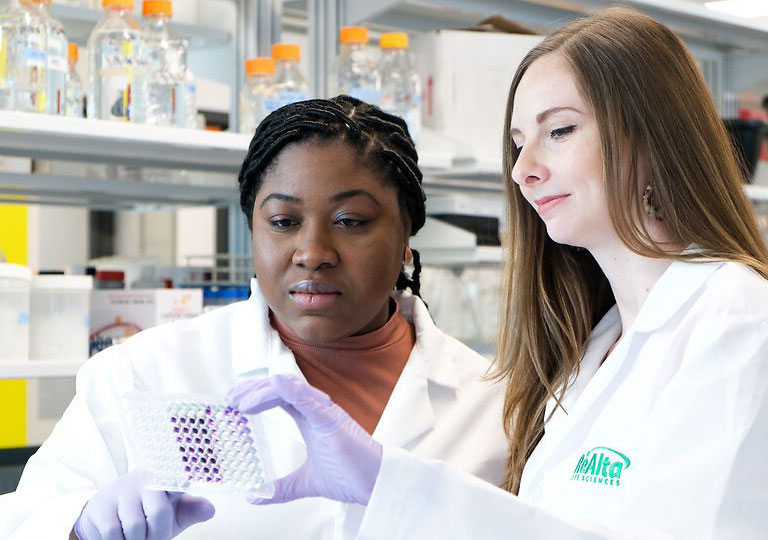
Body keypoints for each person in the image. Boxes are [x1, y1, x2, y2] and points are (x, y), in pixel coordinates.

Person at [228, 8, 768, 539]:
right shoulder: (592, 348)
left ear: (651, 134)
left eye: (558, 130)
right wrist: (384, 485)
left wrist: (385, 481)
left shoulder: (736, 321)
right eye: (516, 143)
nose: (522, 168)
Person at [0, 96, 508, 539]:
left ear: (406, 239)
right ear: (253, 231)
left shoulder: (497, 402)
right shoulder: (143, 373)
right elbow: (23, 522)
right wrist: (79, 525)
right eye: (283, 222)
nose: (312, 252)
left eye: (351, 221)